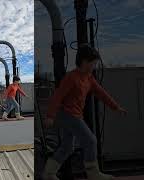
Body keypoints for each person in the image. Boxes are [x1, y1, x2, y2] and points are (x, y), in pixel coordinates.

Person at [42, 45, 127, 180]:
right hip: (67, 115)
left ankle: (48, 173)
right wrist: (50, 116)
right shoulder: (71, 77)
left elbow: (101, 93)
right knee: (90, 141)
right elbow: (57, 96)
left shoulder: (89, 78)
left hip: (75, 115)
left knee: (67, 147)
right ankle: (93, 174)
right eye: (93, 63)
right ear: (85, 61)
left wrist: (116, 107)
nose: (94, 66)